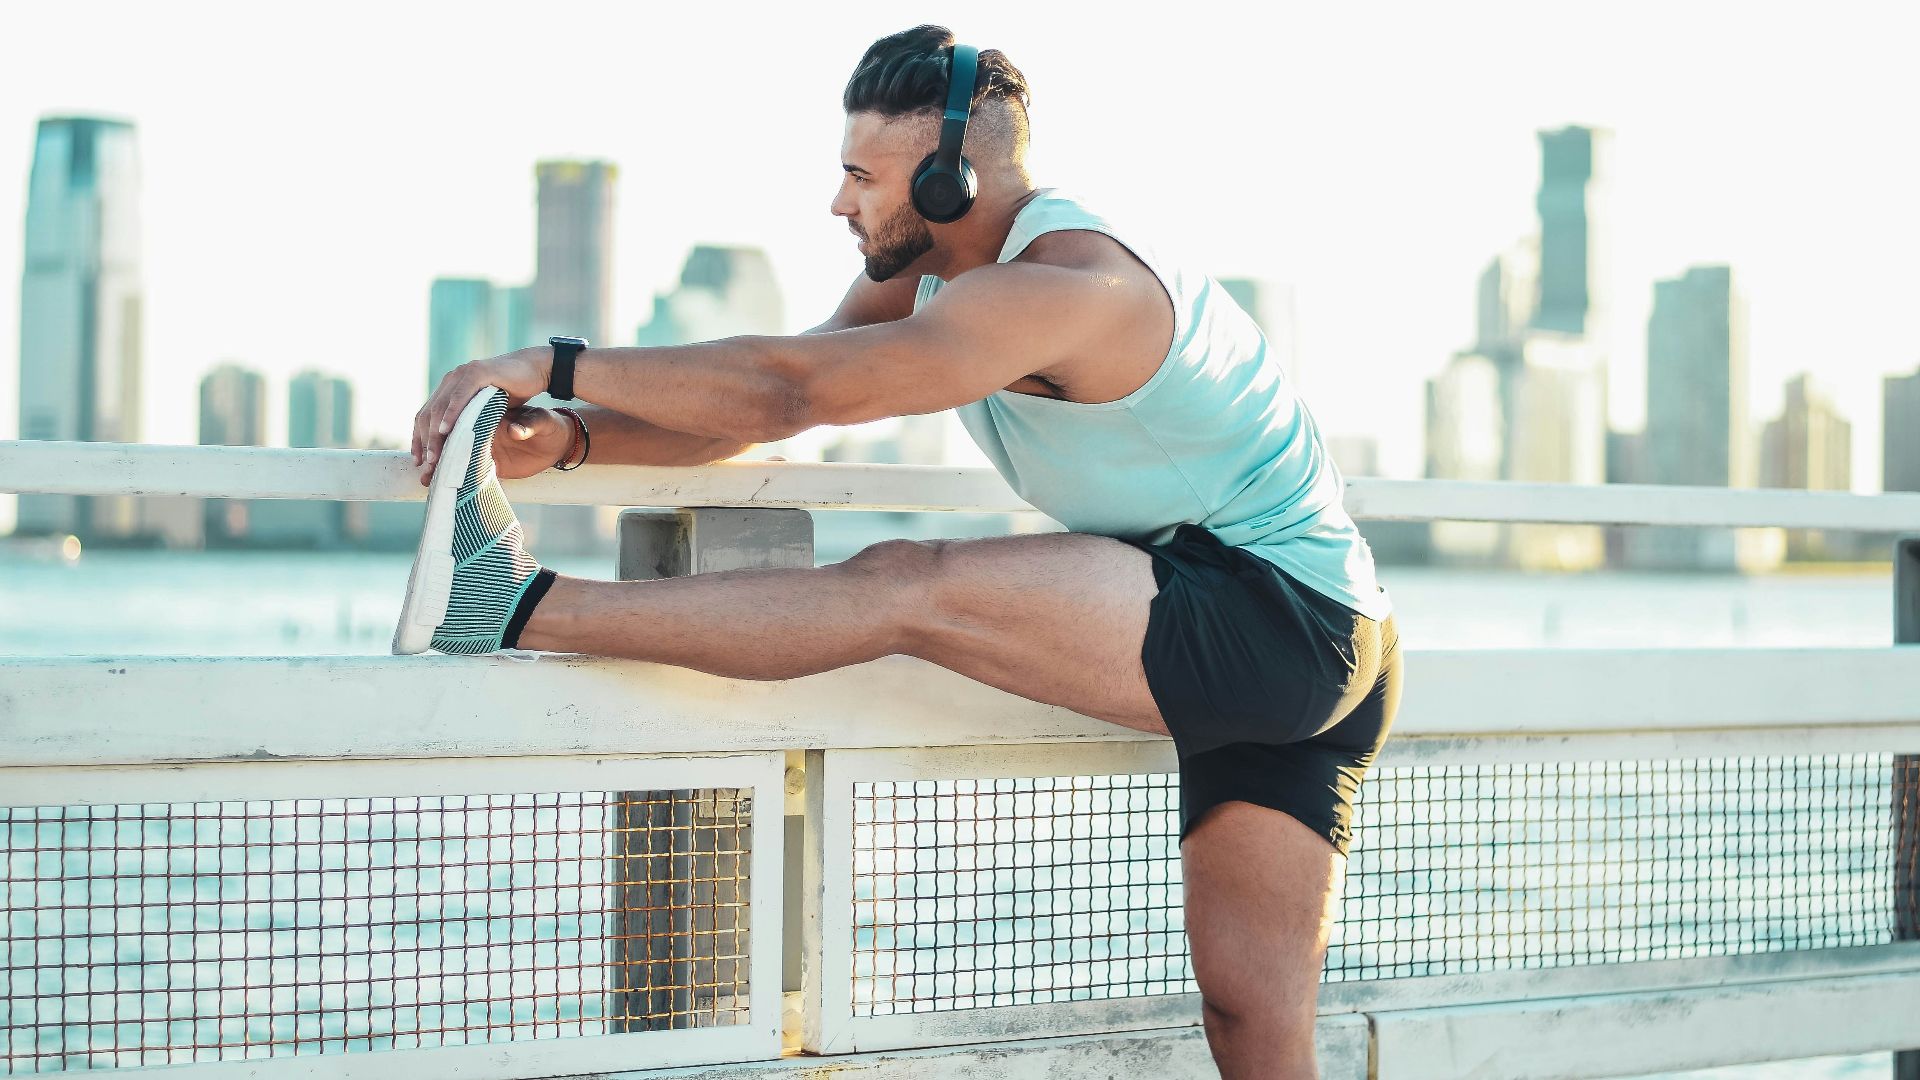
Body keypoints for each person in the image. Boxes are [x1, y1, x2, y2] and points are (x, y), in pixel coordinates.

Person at [400, 24, 1401, 1079]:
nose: (840, 204)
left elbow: (792, 385)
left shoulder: (1067, 288)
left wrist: (553, 360)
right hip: (1307, 635)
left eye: (859, 176)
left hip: (1281, 617)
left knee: (906, 586)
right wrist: (572, 438)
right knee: (1253, 1023)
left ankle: (509, 605)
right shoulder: (930, 276)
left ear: (948, 179)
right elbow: (769, 408)